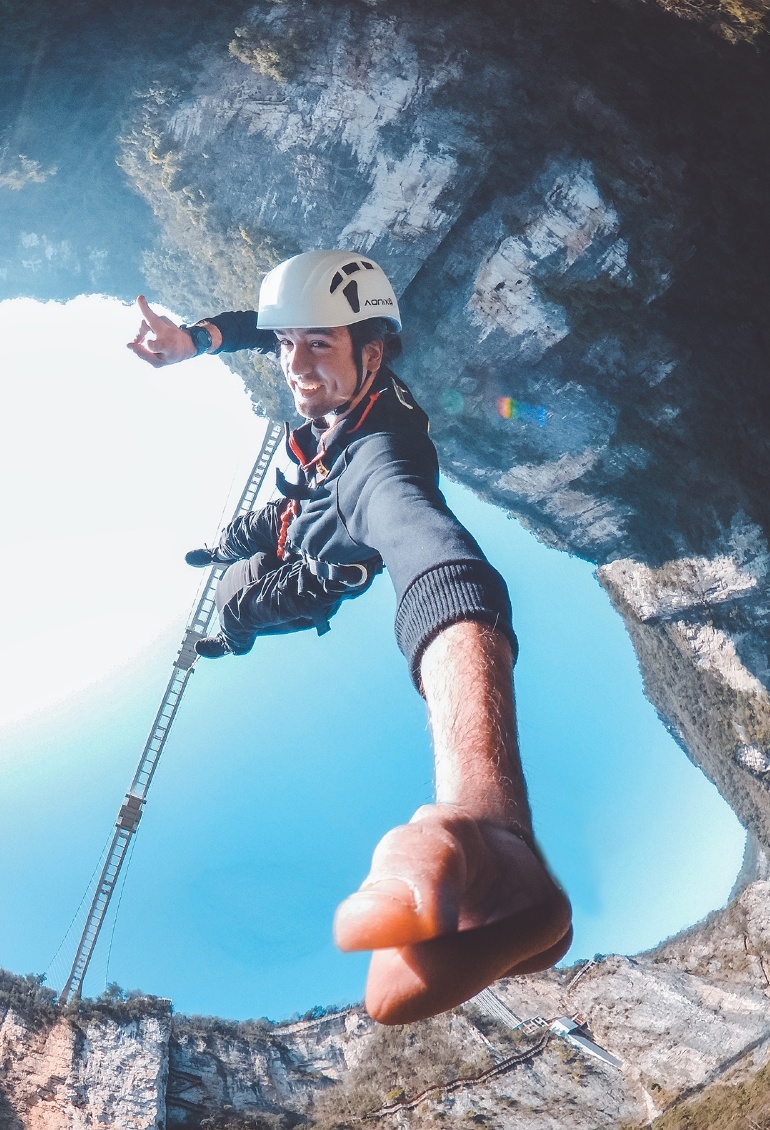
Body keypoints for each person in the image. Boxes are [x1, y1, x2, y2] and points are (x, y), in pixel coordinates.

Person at [129, 250, 572, 1025]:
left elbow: (439, 561)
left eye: (320, 347)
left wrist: (485, 806)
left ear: (371, 354)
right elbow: (251, 326)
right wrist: (190, 341)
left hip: (312, 563)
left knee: (239, 606)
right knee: (243, 534)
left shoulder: (383, 457)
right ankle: (230, 551)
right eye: (288, 346)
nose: (295, 366)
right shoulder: (337, 409)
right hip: (300, 508)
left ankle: (230, 636)